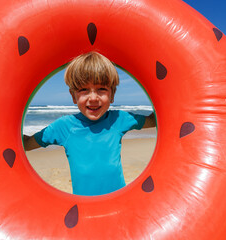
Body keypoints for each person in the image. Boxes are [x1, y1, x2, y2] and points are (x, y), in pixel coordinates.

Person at [23, 52, 156, 196]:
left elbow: (153, 120)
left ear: (112, 94)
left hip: (118, 202)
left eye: (102, 89)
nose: (93, 98)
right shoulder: (63, 127)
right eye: (83, 90)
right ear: (73, 96)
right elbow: (27, 144)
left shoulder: (119, 119)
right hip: (84, 207)